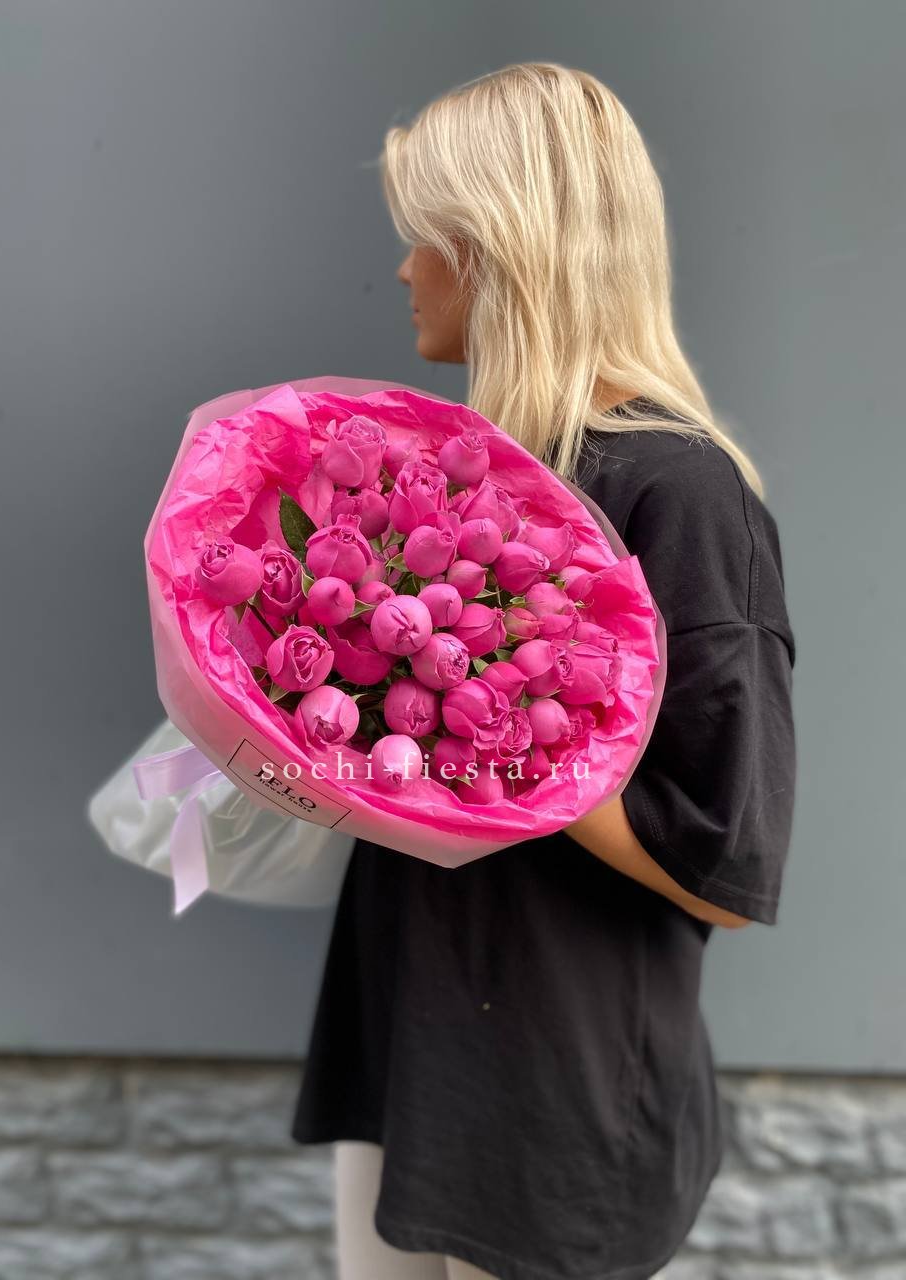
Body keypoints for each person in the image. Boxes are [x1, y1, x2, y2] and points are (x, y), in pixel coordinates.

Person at [290, 61, 797, 1280]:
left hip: (549, 1095)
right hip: (411, 1036)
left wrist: (507, 736)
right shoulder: (462, 475)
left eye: (424, 237)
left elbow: (730, 861)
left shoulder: (678, 489)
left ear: (495, 248)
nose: (403, 269)